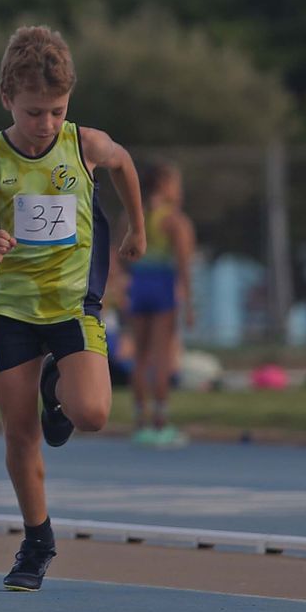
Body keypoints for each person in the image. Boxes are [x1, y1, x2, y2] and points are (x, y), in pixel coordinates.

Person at [0, 25, 144, 591]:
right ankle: (37, 539)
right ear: (8, 99)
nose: (46, 126)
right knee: (19, 434)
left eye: (57, 112)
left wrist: (137, 224)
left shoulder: (83, 143)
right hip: (12, 307)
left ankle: (56, 396)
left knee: (92, 414)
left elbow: (124, 162)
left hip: (72, 303)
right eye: (35, 112)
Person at [125, 161, 195, 448]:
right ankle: (161, 420)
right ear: (166, 186)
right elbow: (183, 264)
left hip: (140, 284)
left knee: (140, 356)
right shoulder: (175, 221)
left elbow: (122, 252)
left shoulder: (135, 216)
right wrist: (189, 304)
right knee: (162, 356)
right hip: (163, 285)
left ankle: (140, 419)